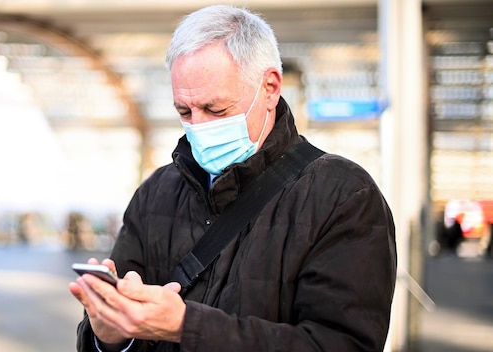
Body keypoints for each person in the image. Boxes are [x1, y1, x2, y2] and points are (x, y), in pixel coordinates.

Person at [69, 5, 397, 352]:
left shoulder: (343, 196)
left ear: (270, 88)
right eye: (184, 111)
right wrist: (109, 335)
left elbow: (342, 344)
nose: (198, 125)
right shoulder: (157, 192)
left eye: (216, 109)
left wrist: (187, 326)